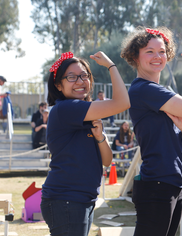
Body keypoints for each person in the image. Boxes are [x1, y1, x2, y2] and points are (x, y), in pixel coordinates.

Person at [121, 26, 182, 236]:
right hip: (157, 184)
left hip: (172, 183)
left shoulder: (163, 93)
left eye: (161, 51)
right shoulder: (145, 89)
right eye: (149, 51)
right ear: (136, 56)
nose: (157, 56)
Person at [40, 51, 130, 236]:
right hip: (66, 199)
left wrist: (100, 137)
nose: (80, 81)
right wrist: (111, 66)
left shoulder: (87, 115)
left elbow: (107, 161)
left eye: (84, 76)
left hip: (83, 199)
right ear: (58, 85)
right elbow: (122, 102)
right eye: (71, 77)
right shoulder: (65, 108)